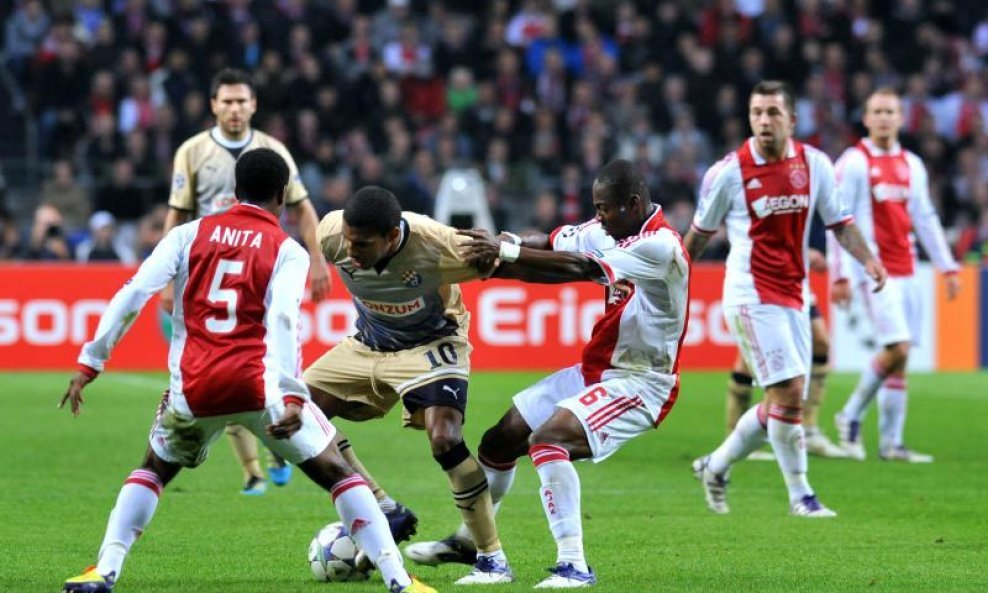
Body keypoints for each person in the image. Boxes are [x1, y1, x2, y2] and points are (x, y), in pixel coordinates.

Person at [60, 149, 435, 593]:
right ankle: (399, 580)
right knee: (339, 473)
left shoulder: (188, 234)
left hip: (196, 389)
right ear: (282, 195)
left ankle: (104, 571)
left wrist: (91, 361)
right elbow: (283, 318)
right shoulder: (288, 250)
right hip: (262, 390)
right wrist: (292, 394)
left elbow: (135, 291)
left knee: (153, 470)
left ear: (235, 189)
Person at [406, 160, 691, 588]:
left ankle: (574, 566)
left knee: (548, 439)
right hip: (594, 371)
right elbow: (554, 243)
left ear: (633, 204)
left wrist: (505, 255)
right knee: (499, 441)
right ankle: (475, 545)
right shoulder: (611, 228)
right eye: (596, 208)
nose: (598, 218)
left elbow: (577, 267)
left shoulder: (660, 246)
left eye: (605, 209)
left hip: (641, 383)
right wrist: (507, 243)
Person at [685, 81, 888, 517]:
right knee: (790, 392)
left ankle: (716, 465)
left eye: (773, 112)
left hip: (795, 293)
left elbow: (840, 222)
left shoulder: (815, 164)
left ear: (792, 120)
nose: (764, 120)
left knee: (781, 402)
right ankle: (802, 496)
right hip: (750, 293)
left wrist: (869, 260)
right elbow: (698, 236)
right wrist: (673, 283)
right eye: (756, 112)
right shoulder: (729, 172)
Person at [303, 186, 515, 585]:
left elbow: (511, 263)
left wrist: (576, 261)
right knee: (294, 412)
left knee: (445, 439)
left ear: (391, 237)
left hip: (431, 344)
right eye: (348, 241)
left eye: (362, 245)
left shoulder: (437, 242)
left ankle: (492, 558)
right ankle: (384, 507)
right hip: (367, 344)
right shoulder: (331, 233)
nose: (351, 252)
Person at [162, 68, 330, 495]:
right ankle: (254, 468)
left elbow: (303, 207)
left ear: (253, 105)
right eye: (227, 101)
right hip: (209, 273)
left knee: (254, 363)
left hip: (259, 271)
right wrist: (167, 277)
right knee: (223, 369)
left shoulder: (273, 150)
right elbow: (178, 214)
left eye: (241, 101)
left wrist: (317, 259)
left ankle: (272, 440)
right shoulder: (192, 152)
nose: (234, 109)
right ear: (213, 105)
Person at [830, 88, 961, 463]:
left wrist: (948, 266)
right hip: (874, 271)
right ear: (866, 119)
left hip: (909, 268)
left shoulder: (912, 164)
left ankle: (891, 443)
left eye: (890, 112)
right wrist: (840, 274)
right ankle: (850, 414)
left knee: (901, 359)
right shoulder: (854, 162)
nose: (884, 118)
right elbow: (837, 219)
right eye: (877, 111)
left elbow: (925, 218)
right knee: (898, 348)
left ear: (901, 119)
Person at [726, 246, 849, 460]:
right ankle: (737, 438)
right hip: (759, 280)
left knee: (821, 343)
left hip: (795, 280)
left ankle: (808, 430)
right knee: (748, 361)